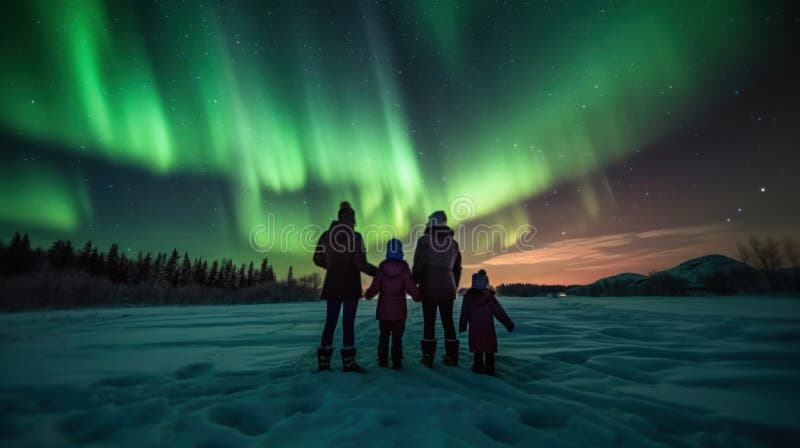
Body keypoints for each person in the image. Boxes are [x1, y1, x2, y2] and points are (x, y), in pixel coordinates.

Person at [313, 201, 377, 372]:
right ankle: (348, 362)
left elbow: (317, 258)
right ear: (352, 219)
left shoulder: (326, 235)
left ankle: (324, 361)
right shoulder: (356, 237)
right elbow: (360, 263)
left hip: (332, 283)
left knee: (330, 322)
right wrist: (378, 272)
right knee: (348, 323)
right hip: (350, 284)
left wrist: (331, 265)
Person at [412, 210, 462, 367]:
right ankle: (452, 356)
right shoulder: (453, 244)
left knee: (429, 322)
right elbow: (457, 269)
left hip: (428, 287)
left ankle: (428, 356)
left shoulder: (424, 241)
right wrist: (454, 286)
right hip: (448, 288)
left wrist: (413, 283)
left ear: (432, 222)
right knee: (448, 322)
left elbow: (418, 265)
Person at [364, 238, 420, 369]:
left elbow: (375, 287)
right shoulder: (404, 268)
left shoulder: (382, 267)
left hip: (384, 311)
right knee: (397, 338)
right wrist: (418, 296)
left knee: (383, 336)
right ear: (400, 251)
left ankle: (383, 360)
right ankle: (397, 361)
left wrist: (368, 294)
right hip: (399, 312)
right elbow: (411, 287)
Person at [459, 269, 515, 375]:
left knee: (477, 352)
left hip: (475, 331)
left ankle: (478, 367)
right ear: (485, 282)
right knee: (489, 352)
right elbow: (499, 312)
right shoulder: (489, 297)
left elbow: (464, 313)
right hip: (488, 331)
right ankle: (489, 368)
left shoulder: (468, 297)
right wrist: (508, 323)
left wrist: (462, 325)